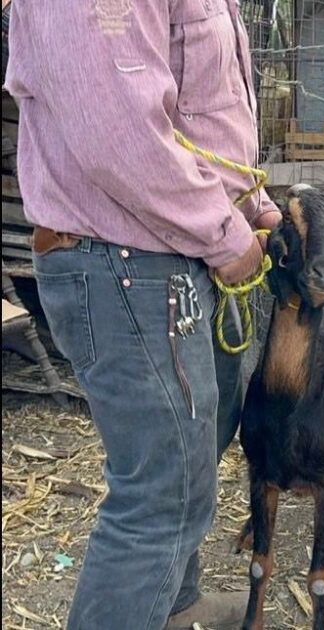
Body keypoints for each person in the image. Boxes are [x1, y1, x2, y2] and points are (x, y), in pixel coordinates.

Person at [5, 2, 281, 628]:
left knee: (190, 459)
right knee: (160, 493)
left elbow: (196, 109)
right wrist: (226, 234)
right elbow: (116, 132)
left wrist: (249, 201)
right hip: (125, 260)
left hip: (162, 254)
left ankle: (175, 607)